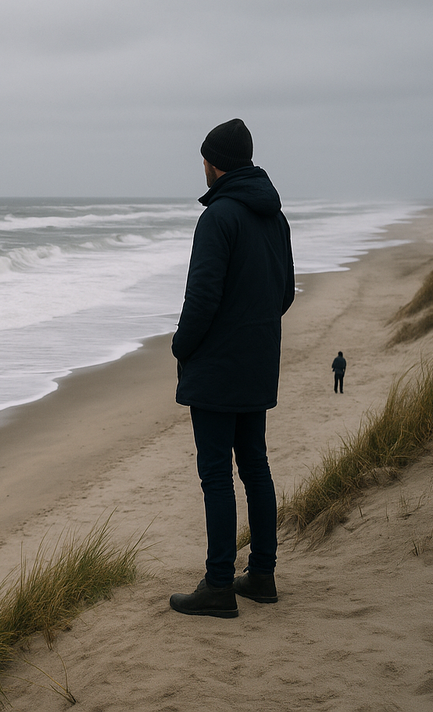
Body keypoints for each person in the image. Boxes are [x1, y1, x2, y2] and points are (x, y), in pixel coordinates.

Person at [168, 118, 295, 618]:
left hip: (218, 368)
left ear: (215, 163)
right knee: (256, 468)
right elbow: (284, 292)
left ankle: (219, 584)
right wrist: (252, 328)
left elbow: (202, 298)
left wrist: (183, 346)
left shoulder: (218, 218)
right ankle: (261, 575)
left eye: (203, 160)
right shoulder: (274, 217)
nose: (201, 168)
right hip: (258, 360)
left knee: (217, 476)